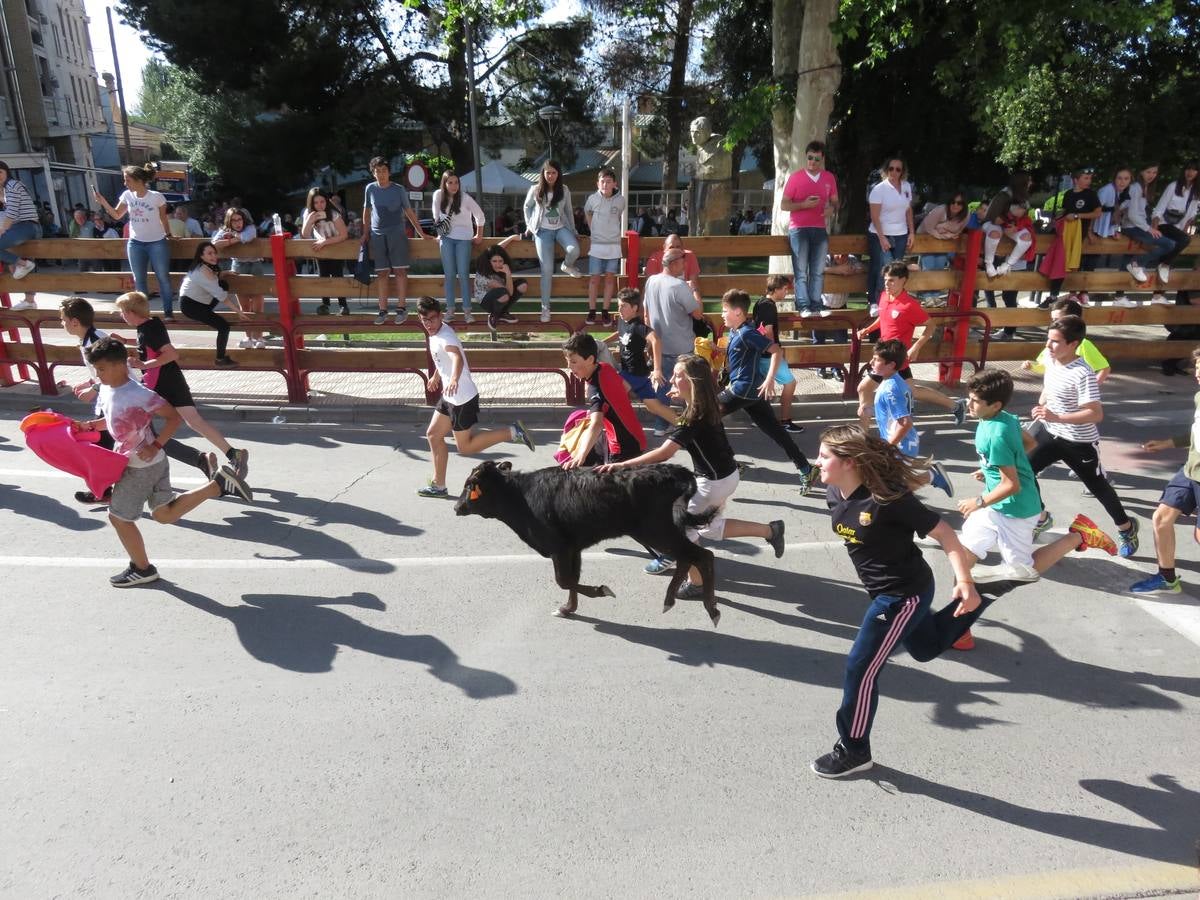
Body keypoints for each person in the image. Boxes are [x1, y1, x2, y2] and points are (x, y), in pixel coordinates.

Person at [809, 423, 1101, 777]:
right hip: (892, 589)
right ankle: (990, 590)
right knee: (926, 647)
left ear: (850, 461)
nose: (817, 461)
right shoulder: (835, 492)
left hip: (900, 597)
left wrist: (963, 578)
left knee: (861, 667)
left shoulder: (889, 501)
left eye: (825, 456)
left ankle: (854, 749)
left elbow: (945, 533)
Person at [599, 354, 786, 597]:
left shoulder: (694, 415)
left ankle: (697, 583)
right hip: (724, 477)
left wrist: (621, 465)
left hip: (713, 483)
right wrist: (682, 396)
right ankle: (771, 531)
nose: (672, 379)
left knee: (682, 531)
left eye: (678, 376)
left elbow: (665, 452)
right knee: (709, 529)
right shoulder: (705, 405)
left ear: (693, 382)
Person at [74, 336, 250, 588]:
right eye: (96, 370)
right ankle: (218, 484)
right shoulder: (108, 389)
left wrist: (155, 444)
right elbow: (114, 419)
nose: (98, 375)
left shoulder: (139, 393)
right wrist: (91, 425)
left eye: (101, 369)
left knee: (119, 518)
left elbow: (173, 417)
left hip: (140, 465)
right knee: (164, 514)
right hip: (152, 462)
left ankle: (142, 569)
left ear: (120, 365)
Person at [1028, 314, 1139, 556]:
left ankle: (1127, 527)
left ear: (1073, 344)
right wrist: (1043, 402)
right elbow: (1050, 381)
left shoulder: (1083, 373)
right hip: (1049, 431)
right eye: (1048, 339)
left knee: (1097, 486)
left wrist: (1057, 416)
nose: (1048, 346)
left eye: (1055, 342)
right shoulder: (1050, 357)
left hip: (1078, 441)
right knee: (1022, 469)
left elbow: (1095, 413)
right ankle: (1041, 516)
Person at [114, 291, 249, 481]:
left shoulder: (149, 330)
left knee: (137, 423)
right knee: (194, 421)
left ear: (131, 311)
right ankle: (233, 454)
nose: (121, 315)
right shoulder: (150, 325)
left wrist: (143, 365)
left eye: (122, 312)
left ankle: (139, 471)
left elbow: (171, 354)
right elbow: (149, 345)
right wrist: (125, 341)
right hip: (171, 381)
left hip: (163, 383)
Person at [414, 296, 535, 497]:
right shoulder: (437, 332)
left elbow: (456, 357)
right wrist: (437, 375)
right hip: (449, 396)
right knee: (434, 435)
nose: (429, 324)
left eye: (433, 319)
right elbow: (442, 359)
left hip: (461, 398)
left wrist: (453, 379)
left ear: (440, 316)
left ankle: (513, 432)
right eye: (424, 320)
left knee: (465, 447)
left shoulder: (446, 337)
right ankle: (438, 485)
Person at [718, 289, 818, 491]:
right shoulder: (736, 331)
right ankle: (806, 468)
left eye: (724, 310)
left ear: (738, 312)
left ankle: (728, 465)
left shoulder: (747, 332)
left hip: (743, 389)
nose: (721, 314)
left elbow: (775, 350)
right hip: (753, 391)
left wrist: (770, 378)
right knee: (775, 431)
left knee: (706, 416)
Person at [856, 262, 967, 426]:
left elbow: (931, 326)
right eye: (886, 280)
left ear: (903, 280)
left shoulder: (909, 305)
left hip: (895, 359)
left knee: (864, 388)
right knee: (912, 391)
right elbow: (884, 317)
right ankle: (957, 406)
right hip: (884, 356)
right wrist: (868, 329)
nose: (887, 284)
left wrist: (916, 347)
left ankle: (864, 434)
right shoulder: (884, 297)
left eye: (892, 280)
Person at [1131, 347, 1200, 594]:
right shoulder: (1199, 397)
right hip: (1191, 470)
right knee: (1161, 518)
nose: (1198, 375)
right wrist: (1167, 443)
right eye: (1198, 368)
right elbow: (1196, 432)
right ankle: (1167, 579)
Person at [870, 339, 953, 496]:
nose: (871, 362)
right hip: (901, 443)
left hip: (901, 445)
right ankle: (931, 475)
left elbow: (905, 423)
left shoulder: (890, 389)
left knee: (889, 491)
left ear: (891, 365)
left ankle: (931, 476)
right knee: (887, 487)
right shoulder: (895, 381)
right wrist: (868, 410)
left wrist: (888, 446)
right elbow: (891, 412)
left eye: (876, 359)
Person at [93, 164, 177, 319]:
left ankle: (168, 313)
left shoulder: (156, 196)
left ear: (139, 180)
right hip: (135, 242)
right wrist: (103, 202)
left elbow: (163, 218)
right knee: (139, 280)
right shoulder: (127, 195)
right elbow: (117, 215)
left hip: (157, 241)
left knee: (163, 277)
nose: (125, 184)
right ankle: (144, 314)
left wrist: (168, 234)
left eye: (128, 180)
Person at [561, 330, 646, 467]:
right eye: (567, 362)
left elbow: (597, 424)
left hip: (623, 449)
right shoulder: (605, 367)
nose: (570, 367)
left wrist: (580, 457)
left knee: (587, 469)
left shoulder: (595, 387)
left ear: (590, 359)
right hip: (636, 435)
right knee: (583, 445)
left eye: (574, 362)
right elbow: (626, 387)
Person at [643, 246, 705, 431]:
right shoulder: (679, 286)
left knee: (663, 389)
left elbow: (646, 313)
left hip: (659, 346)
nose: (685, 264)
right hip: (682, 347)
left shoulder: (651, 281)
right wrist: (694, 289)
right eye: (682, 260)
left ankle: (661, 425)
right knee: (689, 388)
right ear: (674, 264)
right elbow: (698, 313)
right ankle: (692, 425)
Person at [363, 155, 427, 325]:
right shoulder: (370, 189)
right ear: (373, 173)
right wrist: (365, 233)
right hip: (377, 235)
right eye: (378, 171)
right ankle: (382, 310)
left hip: (397, 234)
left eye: (384, 171)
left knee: (400, 271)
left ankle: (401, 308)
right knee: (382, 273)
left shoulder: (398, 189)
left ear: (389, 172)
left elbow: (409, 212)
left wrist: (421, 232)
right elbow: (367, 213)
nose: (381, 174)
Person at [781, 140, 839, 317]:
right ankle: (804, 305)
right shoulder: (796, 177)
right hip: (799, 229)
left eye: (817, 159)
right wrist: (804, 205)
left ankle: (816, 304)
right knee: (801, 271)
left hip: (820, 229)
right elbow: (784, 204)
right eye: (810, 158)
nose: (813, 162)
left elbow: (836, 202)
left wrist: (832, 209)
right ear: (805, 157)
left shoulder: (829, 177)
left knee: (818, 271)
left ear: (822, 159)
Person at [523, 159, 581, 323]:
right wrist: (529, 226)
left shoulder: (564, 189)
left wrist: (574, 230)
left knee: (574, 250)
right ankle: (545, 308)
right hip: (542, 232)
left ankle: (567, 265)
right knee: (547, 270)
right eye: (548, 172)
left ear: (558, 174)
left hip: (561, 227)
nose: (551, 175)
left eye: (554, 172)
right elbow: (527, 207)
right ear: (543, 173)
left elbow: (569, 211)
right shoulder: (535, 189)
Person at [1039, 167, 1102, 309]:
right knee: (1060, 262)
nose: (1089, 181)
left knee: (1075, 265)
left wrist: (1078, 217)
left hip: (1079, 235)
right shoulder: (1068, 194)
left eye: (1090, 178)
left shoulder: (1090, 195)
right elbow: (1065, 211)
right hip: (1065, 234)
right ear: (1076, 180)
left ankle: (1078, 293)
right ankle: (1055, 295)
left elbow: (1097, 213)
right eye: (1086, 178)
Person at [178, 242, 248, 367]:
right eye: (209, 253)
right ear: (201, 256)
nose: (214, 256)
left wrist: (225, 273)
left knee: (223, 284)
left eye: (215, 253)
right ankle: (220, 359)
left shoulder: (204, 267)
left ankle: (221, 357)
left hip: (197, 302)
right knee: (223, 327)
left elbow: (215, 281)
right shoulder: (202, 272)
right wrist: (239, 312)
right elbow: (221, 296)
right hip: (190, 306)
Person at [613, 287, 675, 427]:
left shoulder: (638, 326)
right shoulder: (623, 322)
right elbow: (620, 334)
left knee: (613, 398)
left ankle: (620, 428)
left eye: (623, 306)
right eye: (618, 306)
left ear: (634, 308)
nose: (620, 310)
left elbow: (656, 340)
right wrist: (602, 343)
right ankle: (685, 425)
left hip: (635, 374)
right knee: (654, 406)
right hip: (630, 373)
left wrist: (657, 369)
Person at [431, 170, 486, 322]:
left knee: (463, 274)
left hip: (463, 238)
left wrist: (479, 235)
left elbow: (480, 215)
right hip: (446, 238)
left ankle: (467, 311)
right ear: (444, 183)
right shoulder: (438, 195)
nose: (454, 186)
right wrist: (438, 234)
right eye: (450, 182)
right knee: (449, 275)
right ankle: (450, 310)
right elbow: (436, 217)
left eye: (456, 182)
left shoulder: (465, 198)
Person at [1021, 297, 1111, 385]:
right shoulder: (1053, 341)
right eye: (1053, 320)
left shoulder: (1083, 344)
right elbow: (1047, 367)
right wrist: (1032, 367)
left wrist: (1088, 389)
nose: (1054, 324)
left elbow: (1105, 368)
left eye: (1057, 320)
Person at [866, 157, 915, 315]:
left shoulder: (906, 186)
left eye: (898, 169)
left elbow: (908, 210)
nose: (894, 172)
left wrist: (912, 232)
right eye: (891, 168)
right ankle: (875, 302)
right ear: (886, 170)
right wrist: (881, 237)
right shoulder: (879, 189)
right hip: (880, 232)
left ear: (902, 172)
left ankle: (890, 300)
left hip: (900, 233)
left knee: (896, 269)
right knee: (882, 267)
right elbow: (874, 216)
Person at [212, 207, 266, 347]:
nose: (237, 223)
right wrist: (233, 240)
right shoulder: (224, 230)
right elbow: (215, 244)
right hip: (238, 265)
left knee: (257, 304)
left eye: (239, 219)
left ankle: (259, 338)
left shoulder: (250, 227)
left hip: (255, 265)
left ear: (244, 220)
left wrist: (231, 239)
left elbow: (247, 237)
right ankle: (248, 338)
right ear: (229, 222)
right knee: (244, 305)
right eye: (234, 220)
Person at [753, 275, 801, 431]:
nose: (786, 292)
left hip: (761, 352)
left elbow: (760, 329)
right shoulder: (768, 306)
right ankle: (785, 421)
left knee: (763, 386)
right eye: (785, 289)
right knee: (790, 383)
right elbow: (767, 331)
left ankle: (762, 419)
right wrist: (776, 350)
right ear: (776, 289)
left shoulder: (760, 303)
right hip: (769, 354)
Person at [1121, 163, 1174, 301]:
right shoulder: (1135, 188)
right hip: (1131, 227)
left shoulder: (1145, 187)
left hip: (1139, 226)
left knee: (1130, 255)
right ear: (1141, 172)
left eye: (1154, 172)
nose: (1151, 175)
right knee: (1169, 244)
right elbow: (1132, 214)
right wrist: (1148, 228)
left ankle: (1120, 295)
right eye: (1148, 172)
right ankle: (1137, 263)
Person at [583, 167, 625, 325]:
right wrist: (591, 226)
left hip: (613, 246)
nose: (605, 184)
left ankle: (605, 311)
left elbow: (617, 216)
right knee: (594, 280)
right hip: (596, 246)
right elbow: (587, 211)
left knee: (609, 280)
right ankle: (592, 311)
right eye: (602, 181)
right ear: (597, 183)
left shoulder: (621, 200)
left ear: (614, 183)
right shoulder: (592, 199)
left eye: (608, 182)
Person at [1149, 161, 1198, 294]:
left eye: (1194, 170)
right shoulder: (1173, 186)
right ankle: (1164, 264)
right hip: (1164, 224)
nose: (1190, 172)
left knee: (1174, 250)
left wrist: (1184, 229)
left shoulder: (1196, 192)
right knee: (1183, 241)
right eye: (1188, 169)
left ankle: (1158, 295)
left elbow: (1191, 214)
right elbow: (1159, 208)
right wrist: (1154, 227)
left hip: (1178, 228)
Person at [300, 188, 351, 316]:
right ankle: (325, 304)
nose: (319, 205)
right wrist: (310, 221)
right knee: (323, 277)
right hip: (321, 250)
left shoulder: (333, 213)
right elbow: (305, 235)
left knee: (337, 276)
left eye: (322, 202)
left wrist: (325, 242)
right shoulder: (309, 213)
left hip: (336, 246)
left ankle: (343, 305)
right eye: (316, 203)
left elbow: (344, 234)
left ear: (326, 201)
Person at [915, 192, 969, 301]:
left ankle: (935, 296)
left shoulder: (966, 215)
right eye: (953, 202)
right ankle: (926, 296)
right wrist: (945, 233)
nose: (956, 205)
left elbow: (958, 231)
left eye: (959, 203)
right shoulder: (940, 210)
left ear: (964, 205)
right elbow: (929, 227)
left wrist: (941, 228)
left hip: (944, 243)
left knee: (939, 267)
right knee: (929, 267)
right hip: (926, 239)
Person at [0, 161, 41, 290]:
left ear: (7, 171)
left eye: (0, 172)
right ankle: (29, 301)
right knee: (27, 254)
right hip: (27, 227)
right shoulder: (10, 187)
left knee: (26, 261)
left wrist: (2, 230)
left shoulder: (11, 185)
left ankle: (23, 264)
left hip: (26, 226)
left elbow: (12, 212)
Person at [473, 234, 526, 333]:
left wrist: (512, 237)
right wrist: (508, 274)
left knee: (522, 285)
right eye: (494, 261)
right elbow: (508, 293)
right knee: (504, 293)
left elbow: (498, 248)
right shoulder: (485, 275)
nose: (498, 264)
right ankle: (494, 315)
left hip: (502, 295)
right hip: (486, 301)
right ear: (489, 261)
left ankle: (503, 312)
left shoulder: (496, 257)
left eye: (500, 261)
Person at [643, 233, 703, 307]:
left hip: (684, 300)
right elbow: (649, 287)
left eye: (678, 247)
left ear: (682, 248)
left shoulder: (690, 256)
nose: (675, 250)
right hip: (662, 301)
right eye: (671, 247)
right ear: (664, 248)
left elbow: (694, 283)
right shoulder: (655, 258)